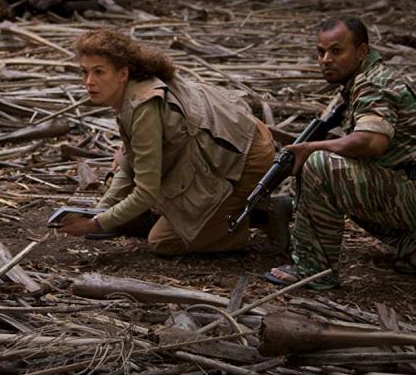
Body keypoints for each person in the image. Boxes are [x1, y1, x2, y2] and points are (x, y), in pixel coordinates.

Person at [266, 17, 416, 289]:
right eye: (321, 52)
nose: (325, 59)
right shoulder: (364, 80)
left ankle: (313, 269)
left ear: (361, 52)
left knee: (320, 165)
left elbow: (372, 142)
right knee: (343, 174)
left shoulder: (372, 84)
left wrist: (310, 148)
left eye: (336, 51)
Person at [58, 30, 276, 256]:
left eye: (99, 72)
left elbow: (146, 193)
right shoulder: (130, 94)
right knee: (120, 191)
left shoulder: (144, 105)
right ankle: (219, 215)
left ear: (122, 74)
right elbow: (130, 162)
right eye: (84, 72)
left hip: (246, 157)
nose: (89, 82)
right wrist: (100, 210)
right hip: (225, 144)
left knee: (164, 241)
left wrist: (95, 224)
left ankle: (256, 218)